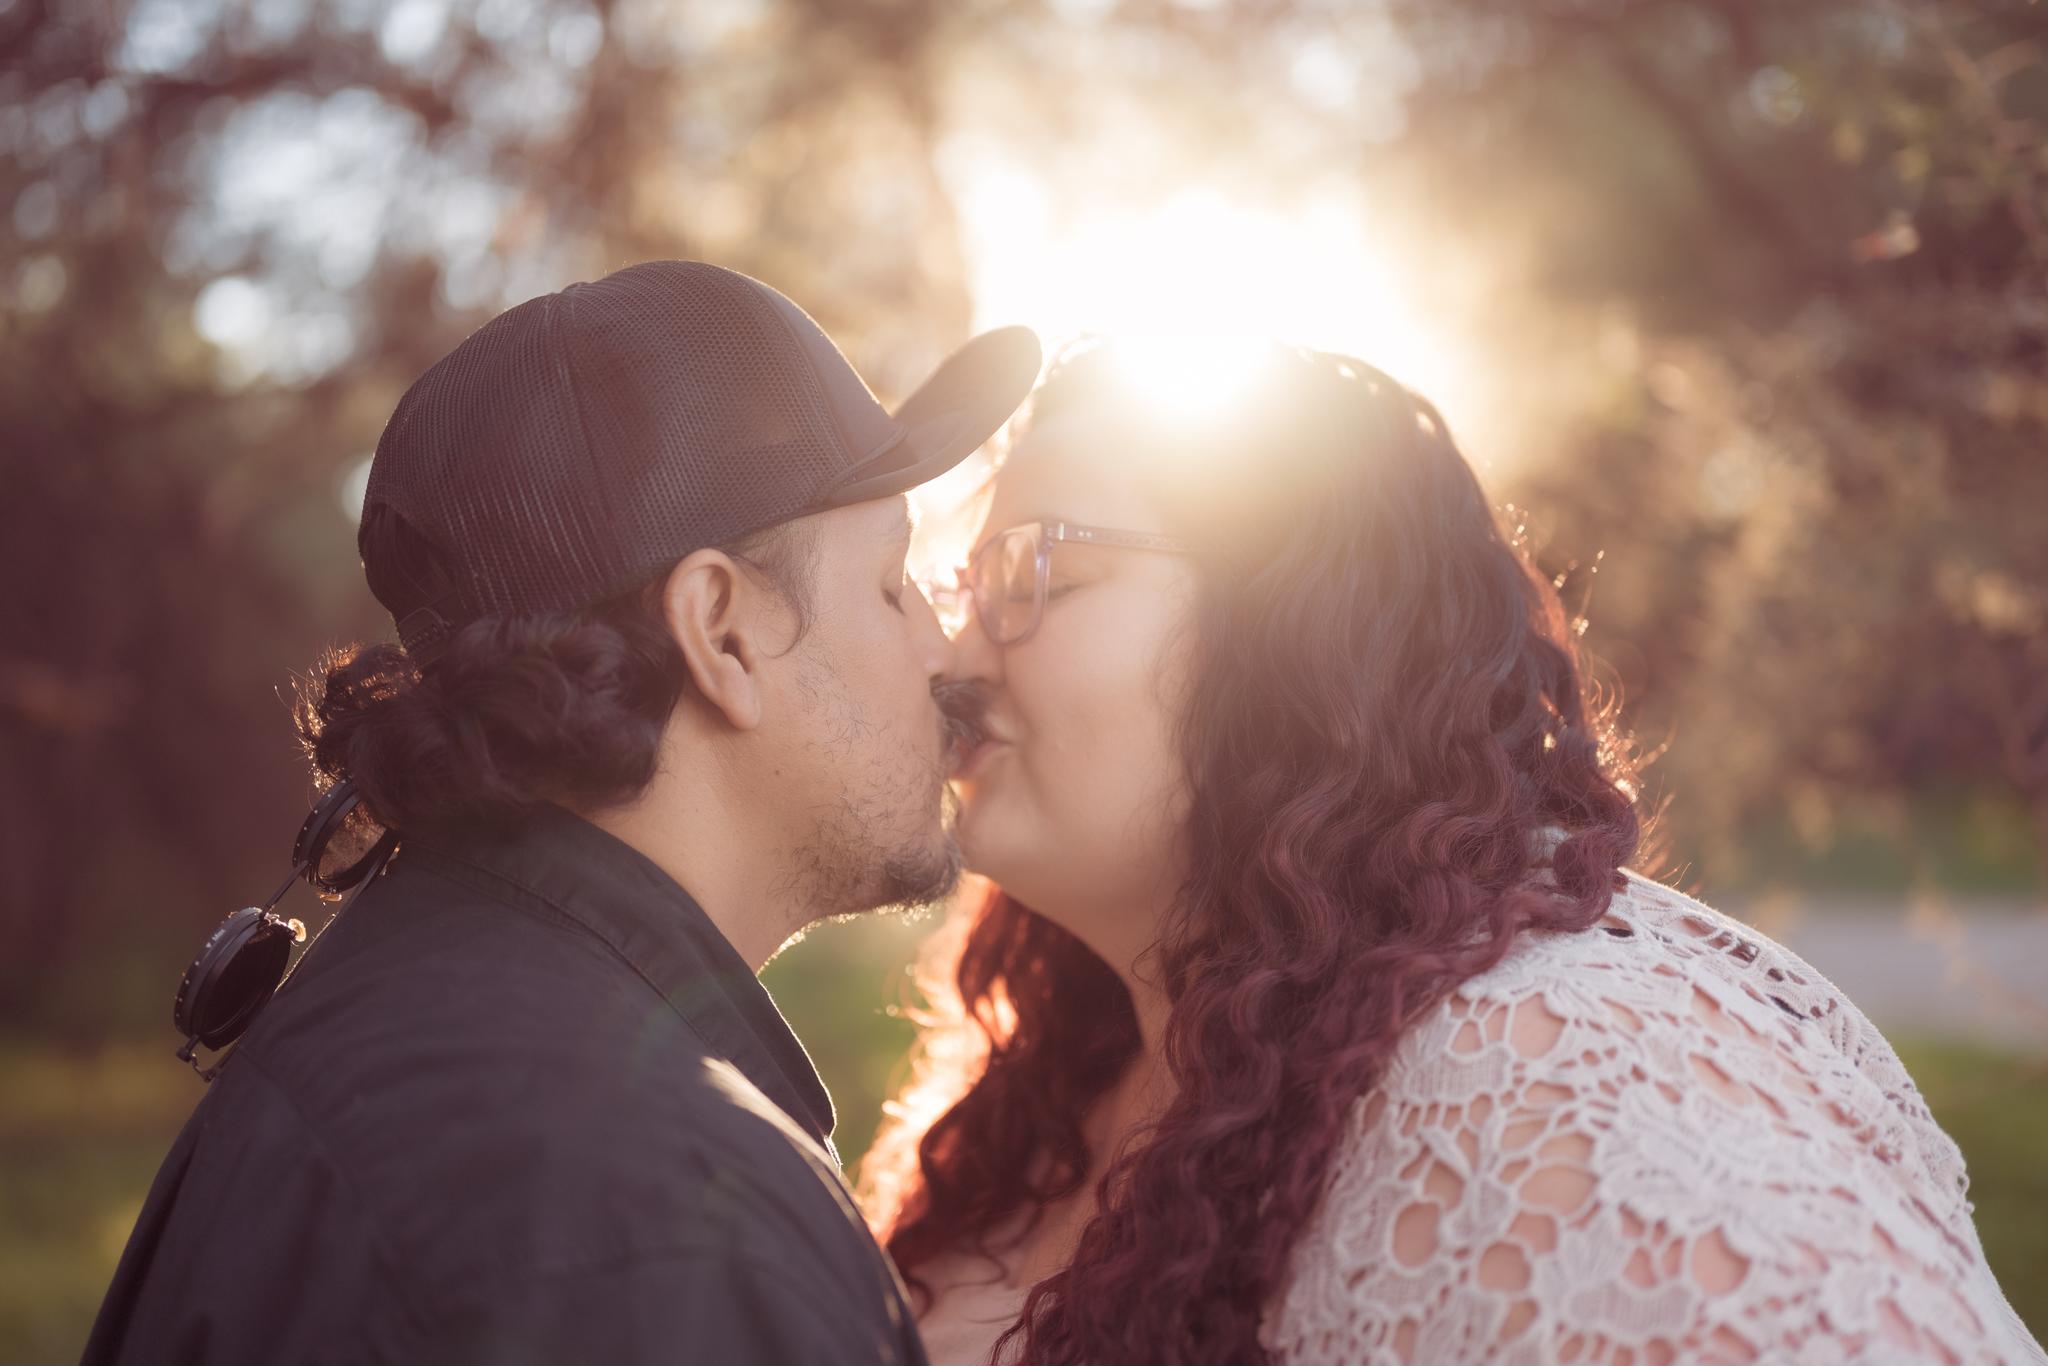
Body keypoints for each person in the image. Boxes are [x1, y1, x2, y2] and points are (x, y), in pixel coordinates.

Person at [861, 338, 2047, 1365]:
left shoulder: (1551, 1071)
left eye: (1035, 573)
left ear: (1298, 633)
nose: (953, 660)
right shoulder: (1058, 1055)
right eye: (965, 586)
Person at [82, 260, 1039, 1365]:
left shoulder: (389, 1022)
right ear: (722, 632)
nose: (938, 645)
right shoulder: (670, 1227)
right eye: (892, 582)